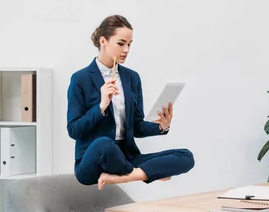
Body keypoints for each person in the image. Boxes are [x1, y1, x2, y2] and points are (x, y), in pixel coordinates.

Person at [67, 14, 195, 189]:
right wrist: (101, 106)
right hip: (93, 162)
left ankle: (128, 176)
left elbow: (137, 126)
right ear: (103, 41)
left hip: (126, 158)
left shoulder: (132, 78)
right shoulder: (80, 78)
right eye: (121, 43)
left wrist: (161, 126)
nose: (126, 49)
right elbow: (74, 130)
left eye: (129, 44)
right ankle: (148, 172)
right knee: (104, 144)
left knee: (186, 156)